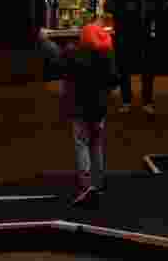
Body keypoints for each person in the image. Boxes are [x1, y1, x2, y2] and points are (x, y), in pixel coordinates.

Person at [37, 23, 119, 207]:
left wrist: (44, 38)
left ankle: (86, 185)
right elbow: (114, 81)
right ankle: (99, 182)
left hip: (79, 109)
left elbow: (55, 55)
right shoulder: (108, 57)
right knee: (96, 143)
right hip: (99, 109)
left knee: (81, 143)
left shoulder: (73, 55)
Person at [104, 0, 156, 115]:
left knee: (143, 68)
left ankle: (143, 101)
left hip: (136, 31)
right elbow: (108, 5)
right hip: (129, 31)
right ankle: (130, 100)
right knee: (127, 68)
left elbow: (156, 7)